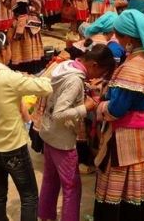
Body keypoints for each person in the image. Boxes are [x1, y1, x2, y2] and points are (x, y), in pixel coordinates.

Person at [94, 10, 144, 221]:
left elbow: (116, 110)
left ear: (128, 38)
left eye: (118, 35)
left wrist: (100, 107)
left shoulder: (132, 68)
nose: (116, 39)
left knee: (121, 183)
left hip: (126, 137)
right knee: (140, 180)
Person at [0, 31, 53, 221]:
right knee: (29, 196)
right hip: (12, 149)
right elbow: (47, 87)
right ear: (3, 50)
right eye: (9, 47)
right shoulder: (10, 78)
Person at [38, 45, 116, 221]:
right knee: (72, 186)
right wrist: (85, 107)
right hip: (62, 139)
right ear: (94, 65)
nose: (96, 78)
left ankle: (45, 215)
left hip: (48, 132)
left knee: (50, 178)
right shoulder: (75, 80)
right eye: (100, 72)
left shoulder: (65, 67)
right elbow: (59, 113)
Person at [4, 0, 44, 73]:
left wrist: (19, 31)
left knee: (22, 47)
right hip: (24, 23)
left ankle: (25, 69)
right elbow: (13, 7)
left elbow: (22, 12)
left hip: (24, 25)